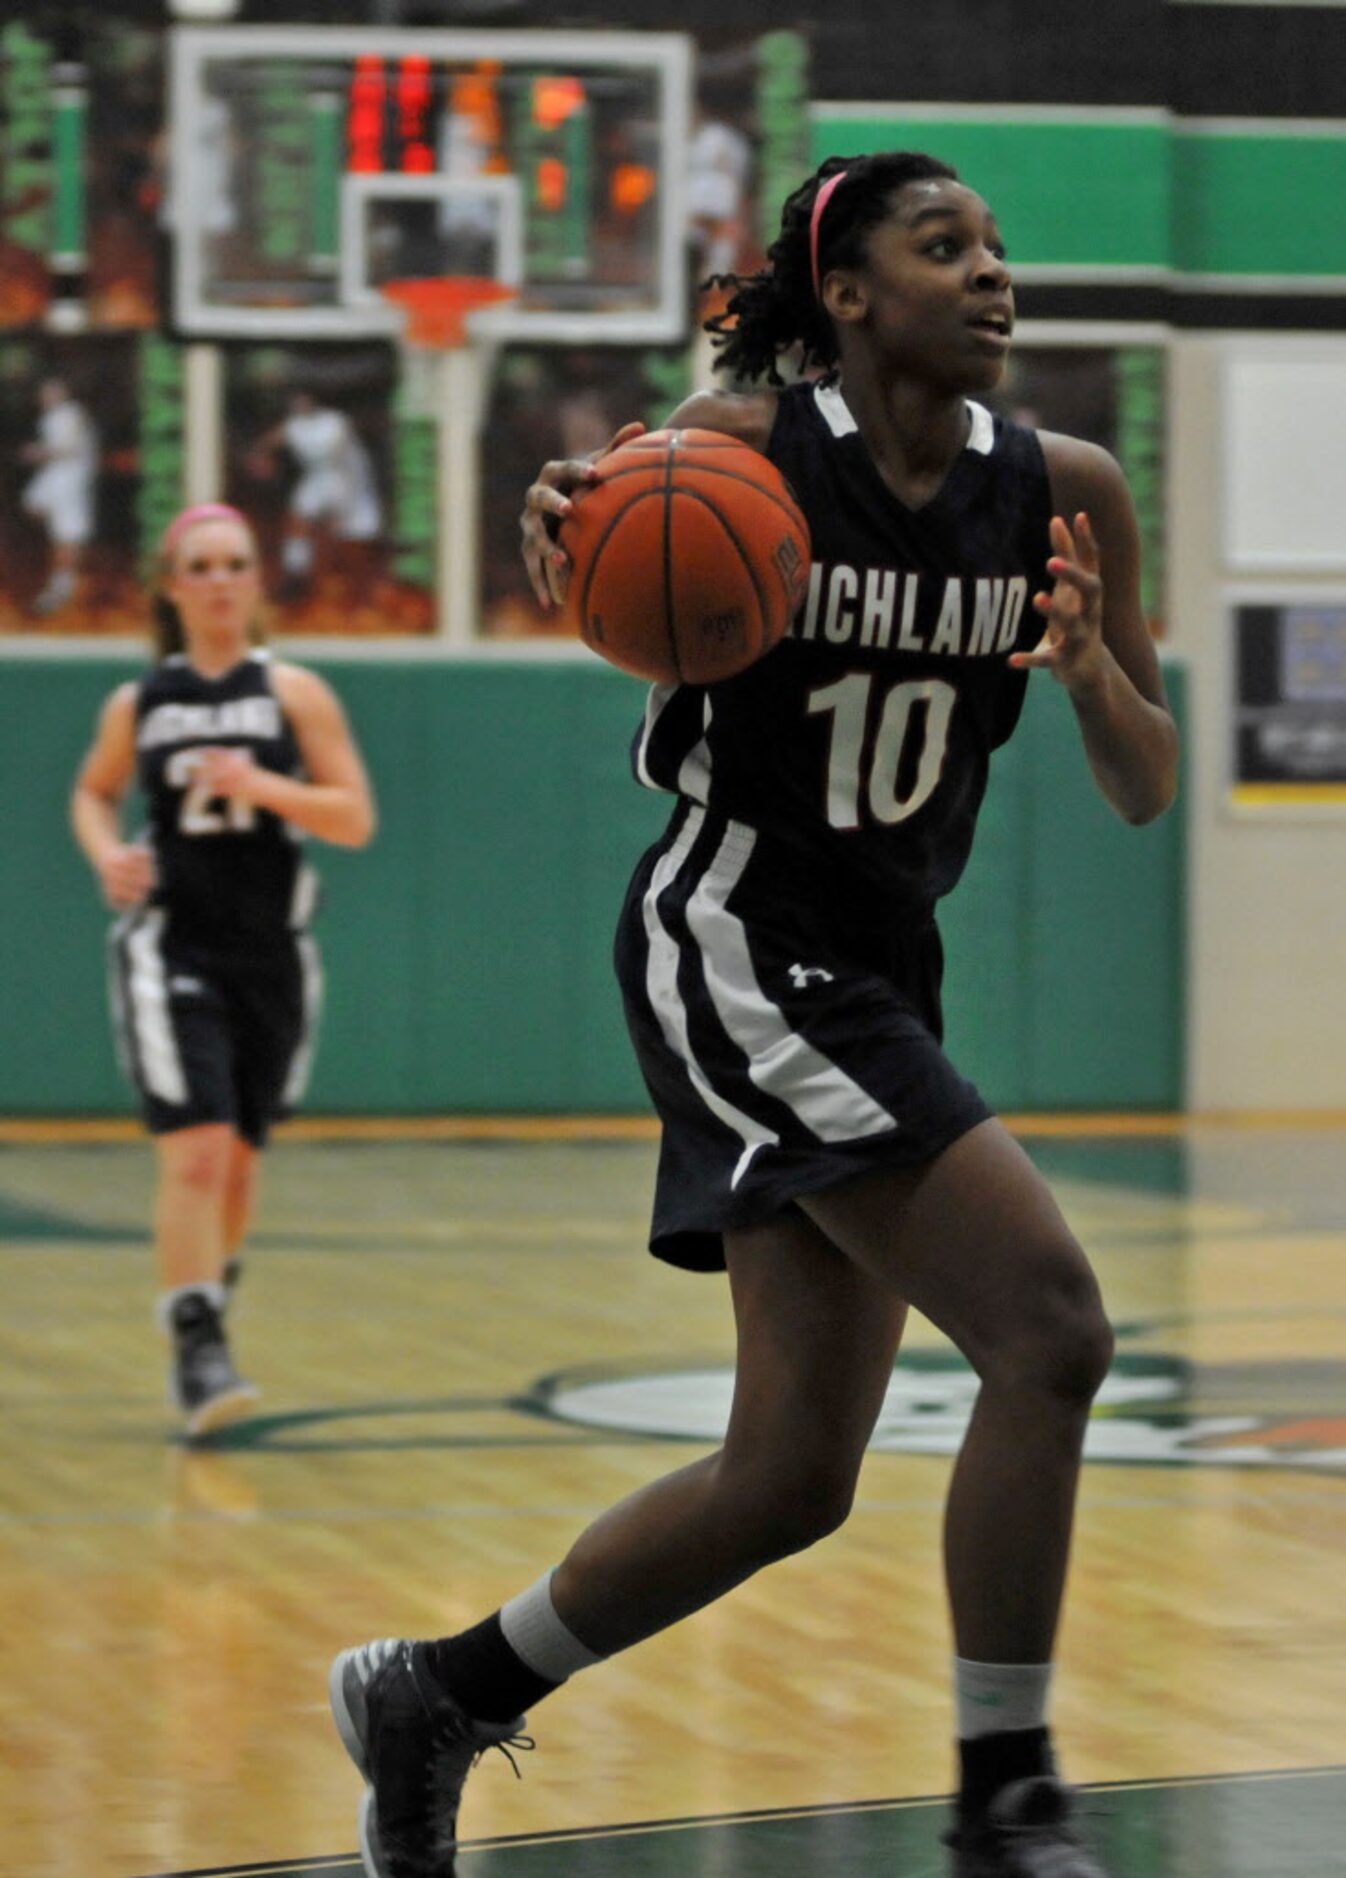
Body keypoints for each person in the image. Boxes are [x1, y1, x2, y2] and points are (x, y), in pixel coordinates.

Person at [328, 151, 1179, 1877]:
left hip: (880, 961)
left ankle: (438, 1687)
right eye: (945, 249)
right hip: (734, 927)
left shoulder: (1065, 488)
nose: (995, 276)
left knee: (790, 1476)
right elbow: (599, 499)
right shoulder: (738, 450)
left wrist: (1094, 675)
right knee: (1053, 1328)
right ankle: (1005, 1792)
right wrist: (565, 514)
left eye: (1000, 248)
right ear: (848, 297)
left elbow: (1146, 784)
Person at [71, 502, 376, 1437]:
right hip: (171, 947)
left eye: (233, 562)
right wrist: (105, 854)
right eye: (197, 565)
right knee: (198, 1151)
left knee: (238, 1166)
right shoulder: (141, 703)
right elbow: (95, 789)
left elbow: (353, 819)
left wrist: (264, 786)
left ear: (254, 579)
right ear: (173, 587)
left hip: (272, 954)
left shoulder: (296, 694)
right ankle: (198, 1344)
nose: (216, 579)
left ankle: (207, 1290)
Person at [248, 391, 383, 602]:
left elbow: (346, 460)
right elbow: (270, 442)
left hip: (345, 479)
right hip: (317, 478)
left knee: (348, 537)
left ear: (315, 402)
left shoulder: (335, 422)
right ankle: (295, 579)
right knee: (296, 523)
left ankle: (361, 589)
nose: (300, 405)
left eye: (304, 400)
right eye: (296, 402)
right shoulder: (294, 425)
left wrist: (343, 504)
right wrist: (260, 455)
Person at [20, 376, 97, 616]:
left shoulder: (72, 414)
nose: (46, 396)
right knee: (39, 513)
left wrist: (38, 453)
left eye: (52, 391)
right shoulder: (53, 416)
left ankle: (63, 585)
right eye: (44, 392)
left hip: (70, 483)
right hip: (56, 480)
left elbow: (68, 447)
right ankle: (61, 579)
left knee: (67, 536)